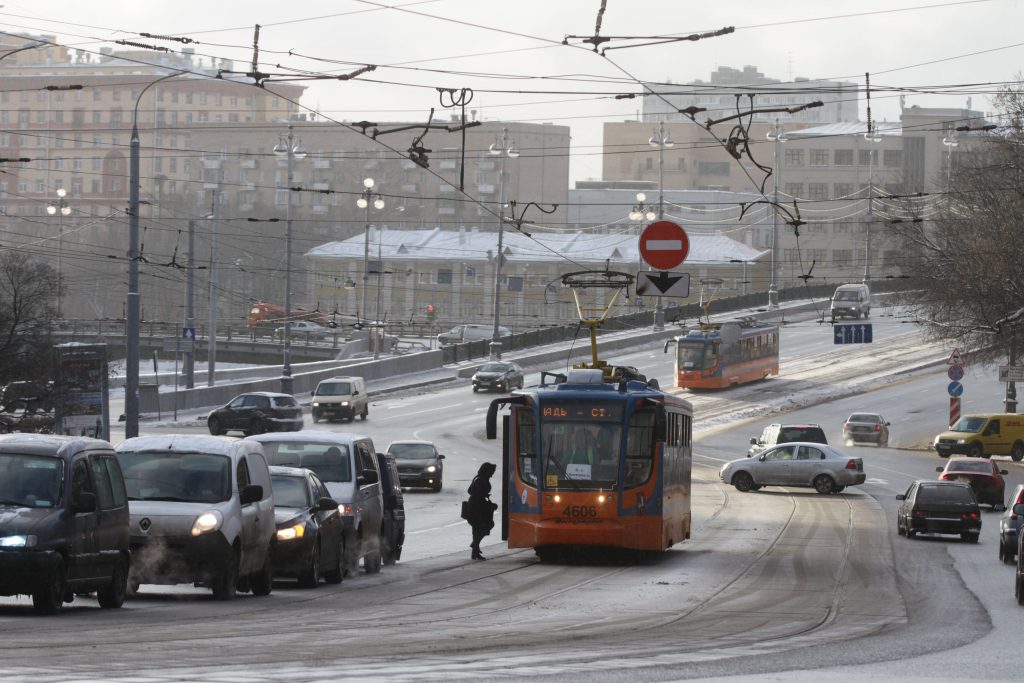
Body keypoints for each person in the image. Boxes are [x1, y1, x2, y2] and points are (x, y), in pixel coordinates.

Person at [465, 462, 498, 560]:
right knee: (484, 526)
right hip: (476, 508)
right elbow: (474, 493)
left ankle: (475, 549)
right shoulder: (480, 480)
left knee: (478, 529)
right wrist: (488, 503)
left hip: (477, 506)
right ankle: (475, 545)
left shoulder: (480, 478)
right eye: (491, 471)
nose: (492, 474)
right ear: (486, 471)